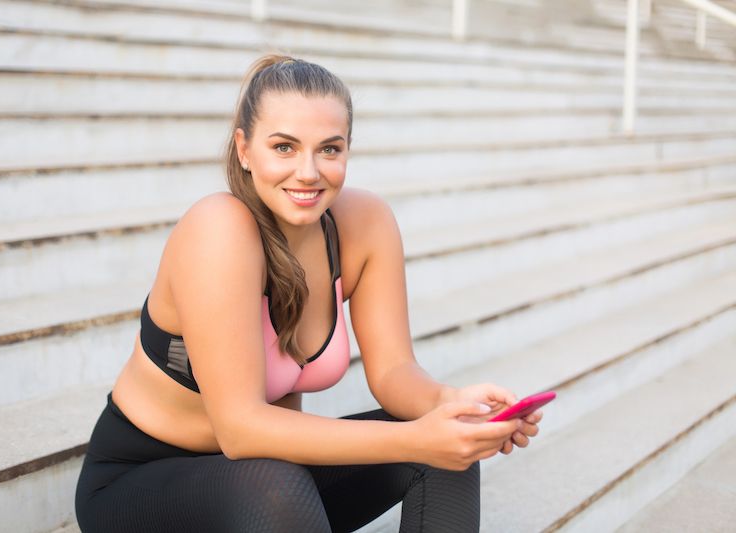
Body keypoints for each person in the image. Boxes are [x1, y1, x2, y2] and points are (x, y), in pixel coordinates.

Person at [74, 54, 542, 533]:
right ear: (244, 149)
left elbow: (394, 370)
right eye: (284, 147)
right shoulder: (218, 230)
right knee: (277, 484)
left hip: (270, 483)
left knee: (450, 456)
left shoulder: (366, 224)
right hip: (142, 487)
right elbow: (240, 430)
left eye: (329, 149)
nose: (308, 172)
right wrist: (415, 440)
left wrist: (449, 404)